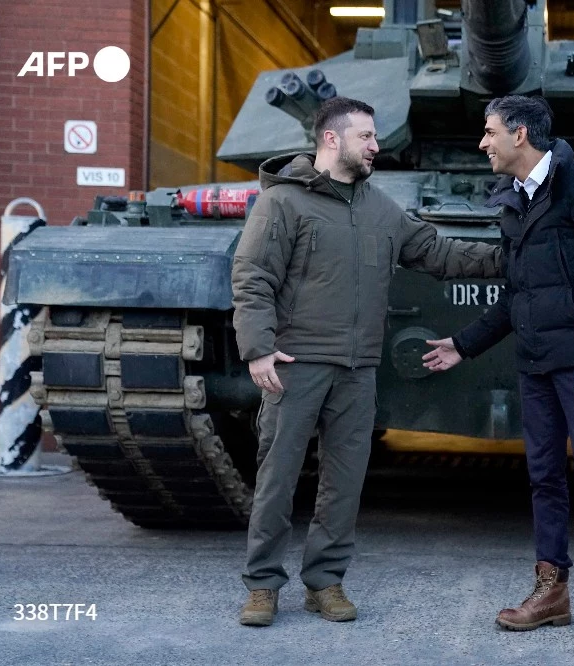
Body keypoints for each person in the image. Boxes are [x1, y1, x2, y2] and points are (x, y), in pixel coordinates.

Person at [232, 96, 503, 627]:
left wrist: (514, 257)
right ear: (332, 139)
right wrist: (258, 348)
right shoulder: (283, 203)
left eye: (375, 137)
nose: (377, 146)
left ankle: (325, 583)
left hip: (358, 369)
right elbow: (253, 276)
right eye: (367, 137)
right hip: (295, 362)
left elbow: (441, 254)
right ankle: (263, 585)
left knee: (345, 479)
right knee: (278, 477)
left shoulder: (381, 209)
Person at [422, 95, 574, 646]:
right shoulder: (514, 201)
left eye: (490, 131)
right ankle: (552, 591)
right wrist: (464, 345)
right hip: (537, 365)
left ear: (520, 135)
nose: (482, 142)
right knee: (544, 477)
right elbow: (517, 295)